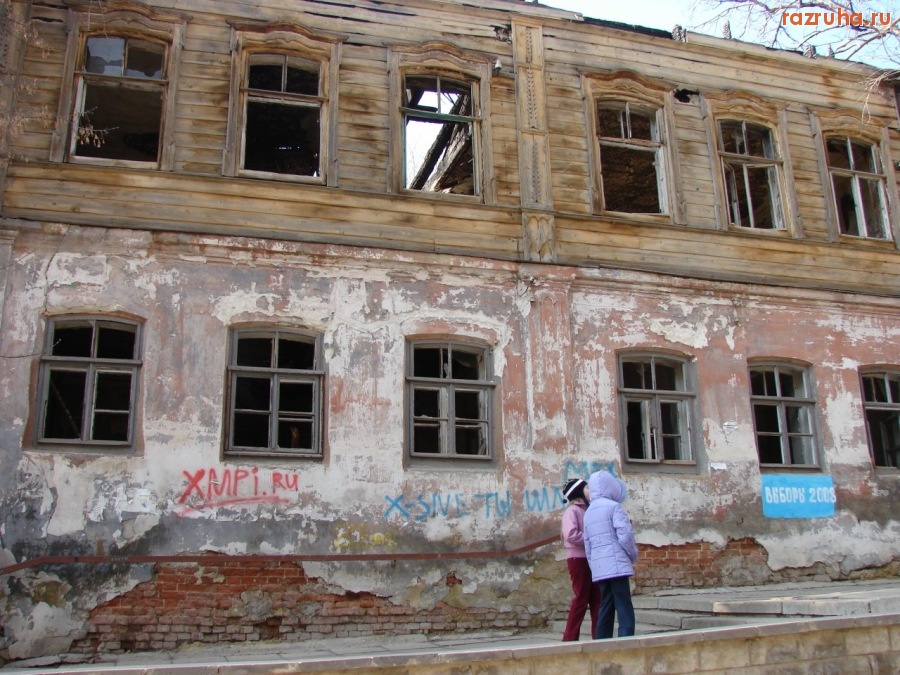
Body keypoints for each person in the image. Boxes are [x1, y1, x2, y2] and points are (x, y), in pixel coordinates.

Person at [583, 470, 638, 639]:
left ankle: (602, 638)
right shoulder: (614, 507)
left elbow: (588, 543)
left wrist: (594, 565)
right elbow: (625, 535)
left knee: (605, 603)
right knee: (623, 603)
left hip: (600, 567)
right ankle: (626, 637)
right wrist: (632, 554)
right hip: (617, 563)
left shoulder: (589, 512)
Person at [559, 477, 601, 641]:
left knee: (597, 598)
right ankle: (569, 637)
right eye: (587, 489)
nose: (591, 492)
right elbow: (571, 535)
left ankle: (600, 636)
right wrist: (591, 539)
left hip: (592, 558)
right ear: (578, 493)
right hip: (578, 559)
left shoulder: (589, 509)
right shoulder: (572, 511)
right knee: (581, 598)